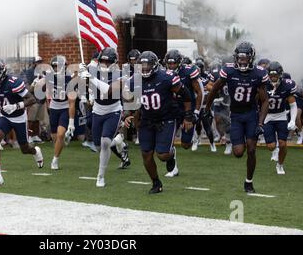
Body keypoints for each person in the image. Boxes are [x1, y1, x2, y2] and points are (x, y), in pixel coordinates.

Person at [124, 51, 194, 194]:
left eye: (147, 65)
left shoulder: (166, 77)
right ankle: (156, 182)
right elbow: (130, 100)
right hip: (147, 119)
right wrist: (128, 115)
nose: (144, 68)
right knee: (146, 154)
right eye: (141, 65)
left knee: (162, 155)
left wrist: (188, 116)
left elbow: (185, 95)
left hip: (166, 118)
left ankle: (171, 154)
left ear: (155, 65)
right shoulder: (133, 81)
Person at [205, 41, 269, 193]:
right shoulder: (229, 70)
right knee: (239, 152)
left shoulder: (258, 73)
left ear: (251, 58)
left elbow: (265, 100)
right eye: (239, 58)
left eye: (245, 58)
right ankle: (247, 140)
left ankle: (249, 181)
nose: (242, 61)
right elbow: (214, 89)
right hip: (236, 115)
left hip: (251, 114)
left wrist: (260, 123)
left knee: (252, 150)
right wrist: (207, 108)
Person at [0, 59, 43, 187]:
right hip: (5, 117)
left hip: (19, 118)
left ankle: (35, 151)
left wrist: (16, 106)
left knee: (24, 149)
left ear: (1, 73)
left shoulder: (13, 82)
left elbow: (32, 99)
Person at [80, 47, 127, 188]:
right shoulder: (95, 71)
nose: (104, 64)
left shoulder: (121, 74)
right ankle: (118, 141)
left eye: (108, 61)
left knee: (105, 142)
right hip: (97, 110)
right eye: (102, 61)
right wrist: (82, 74)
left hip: (113, 110)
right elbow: (86, 85)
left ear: (114, 62)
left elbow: (108, 89)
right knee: (99, 146)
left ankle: (100, 176)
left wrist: (90, 77)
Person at [164, 49, 203, 177]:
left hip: (187, 108)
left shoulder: (189, 71)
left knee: (186, 144)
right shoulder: (163, 73)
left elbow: (200, 92)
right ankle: (173, 167)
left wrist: (196, 112)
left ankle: (194, 138)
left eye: (173, 63)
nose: (171, 66)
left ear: (179, 63)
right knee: (168, 140)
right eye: (169, 64)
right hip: (172, 109)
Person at [41, 55, 77, 170]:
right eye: (55, 66)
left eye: (59, 66)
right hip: (54, 107)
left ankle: (55, 160)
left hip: (65, 107)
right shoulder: (49, 76)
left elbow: (72, 102)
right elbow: (44, 90)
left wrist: (71, 122)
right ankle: (61, 144)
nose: (57, 69)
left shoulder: (69, 80)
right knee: (55, 138)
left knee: (60, 134)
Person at [263, 62, 297, 175]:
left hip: (281, 116)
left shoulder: (287, 85)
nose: (273, 78)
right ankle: (275, 149)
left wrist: (292, 120)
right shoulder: (263, 85)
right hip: (268, 116)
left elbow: (293, 105)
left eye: (275, 75)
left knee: (283, 143)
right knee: (270, 146)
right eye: (271, 75)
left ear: (280, 75)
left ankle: (280, 165)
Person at [191, 58, 216, 152]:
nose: (198, 70)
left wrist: (206, 87)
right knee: (197, 126)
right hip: (197, 106)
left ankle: (212, 143)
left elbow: (212, 87)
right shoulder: (192, 77)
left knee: (208, 128)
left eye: (199, 68)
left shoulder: (208, 76)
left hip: (206, 107)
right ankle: (196, 141)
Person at [25, 56, 46, 143]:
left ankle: (35, 135)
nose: (40, 64)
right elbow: (30, 87)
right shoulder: (30, 72)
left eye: (41, 62)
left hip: (41, 98)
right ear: (34, 63)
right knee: (31, 119)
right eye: (38, 62)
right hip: (33, 98)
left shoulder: (44, 72)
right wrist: (36, 82)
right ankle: (29, 135)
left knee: (38, 118)